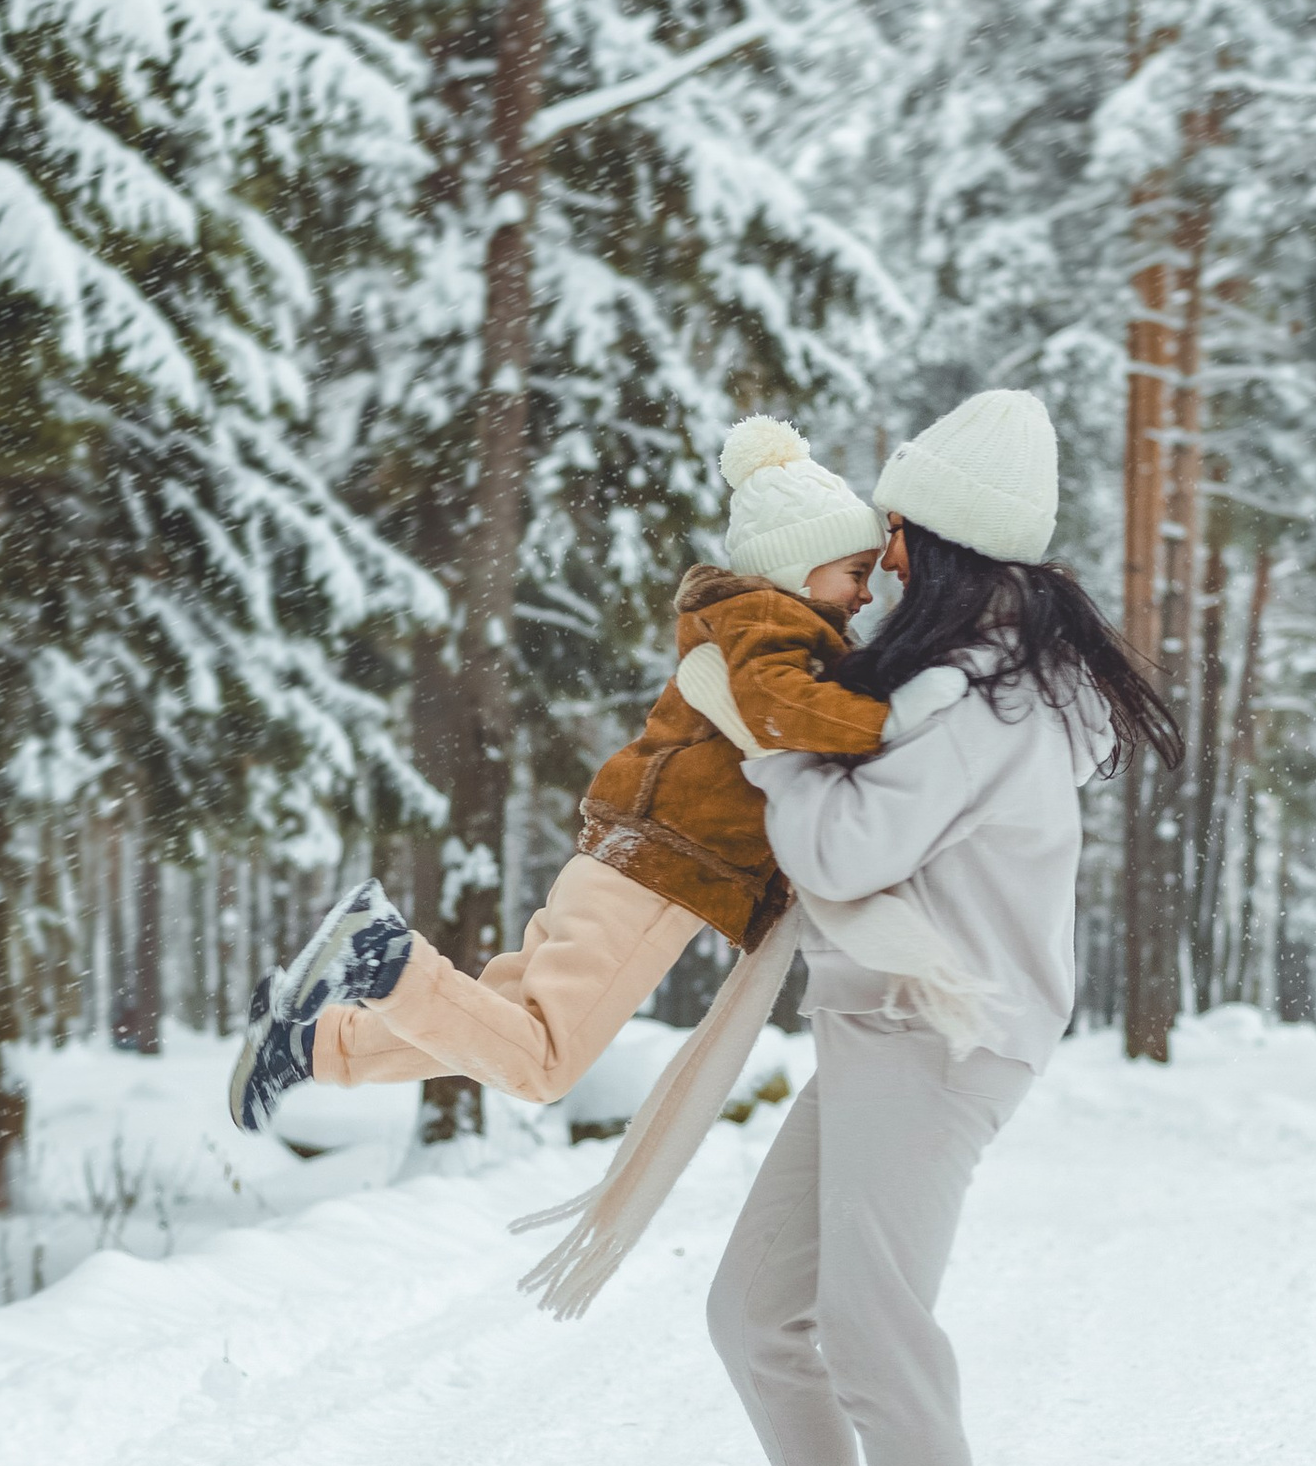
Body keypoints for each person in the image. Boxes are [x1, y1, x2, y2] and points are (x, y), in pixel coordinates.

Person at [707, 385, 1181, 1466]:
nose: (884, 562)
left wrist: (772, 738)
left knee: (871, 1328)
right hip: (881, 1025)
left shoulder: (990, 704)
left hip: (943, 1031)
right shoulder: (952, 684)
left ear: (943, 546)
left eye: (896, 537)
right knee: (754, 1310)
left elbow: (843, 852)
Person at [225, 421, 886, 1133]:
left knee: (493, 1023)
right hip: (661, 872)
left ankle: (309, 1046)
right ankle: (378, 955)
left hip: (626, 862)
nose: (867, 596)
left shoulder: (757, 625)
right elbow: (779, 707)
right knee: (542, 1063)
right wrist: (890, 726)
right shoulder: (769, 621)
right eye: (856, 572)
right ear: (800, 565)